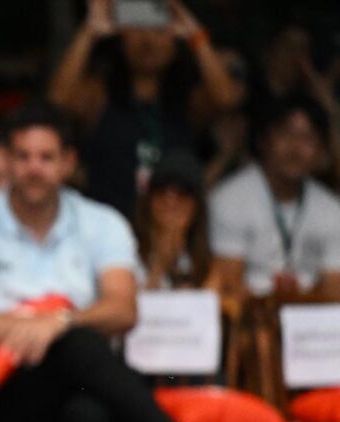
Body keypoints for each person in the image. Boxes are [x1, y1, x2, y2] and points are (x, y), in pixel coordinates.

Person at [0, 102, 184, 422]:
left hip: (80, 385)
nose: (34, 168)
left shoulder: (103, 223)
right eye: (23, 157)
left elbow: (124, 309)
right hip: (0, 385)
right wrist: (41, 322)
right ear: (7, 162)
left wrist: (61, 322)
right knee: (77, 343)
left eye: (46, 157)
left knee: (89, 412)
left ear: (68, 163)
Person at [49, 0, 242, 218]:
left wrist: (194, 33)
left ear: (175, 41)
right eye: (137, 27)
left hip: (171, 233)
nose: (148, 40)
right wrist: (90, 31)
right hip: (106, 233)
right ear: (121, 37)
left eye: (160, 30)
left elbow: (226, 98)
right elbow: (59, 99)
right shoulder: (101, 94)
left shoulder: (187, 102)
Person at [209, 94, 340, 302]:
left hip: (311, 322)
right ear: (264, 140)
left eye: (308, 138)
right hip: (248, 319)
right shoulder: (230, 198)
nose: (295, 148)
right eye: (286, 134)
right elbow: (228, 285)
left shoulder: (332, 210)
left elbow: (335, 291)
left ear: (321, 151)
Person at [134, 149, 218, 291]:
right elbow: (127, 310)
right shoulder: (126, 250)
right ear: (148, 200)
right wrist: (159, 267)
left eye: (182, 193)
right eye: (161, 191)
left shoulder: (205, 261)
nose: (170, 201)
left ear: (197, 204)